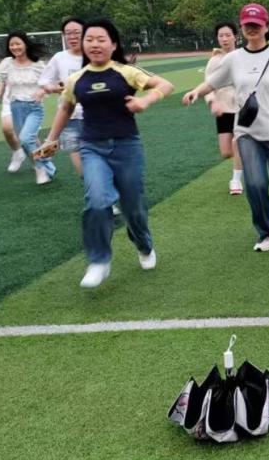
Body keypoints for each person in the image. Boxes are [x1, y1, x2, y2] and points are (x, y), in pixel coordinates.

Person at [37, 19, 174, 288]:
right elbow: (65, 108)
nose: (95, 44)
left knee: (133, 208)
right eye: (89, 40)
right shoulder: (77, 79)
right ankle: (99, 260)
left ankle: (144, 244)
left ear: (113, 45)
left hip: (127, 147)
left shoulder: (126, 71)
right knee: (97, 200)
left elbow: (165, 85)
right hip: (92, 147)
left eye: (101, 39)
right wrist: (51, 140)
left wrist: (145, 101)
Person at [183, 5, 269, 252]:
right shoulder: (233, 59)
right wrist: (196, 92)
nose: (252, 29)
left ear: (266, 27)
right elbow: (212, 82)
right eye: (248, 25)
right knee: (255, 184)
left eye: (257, 25)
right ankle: (267, 233)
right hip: (247, 132)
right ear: (242, 28)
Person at [0, 31, 55, 185]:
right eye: (11, 44)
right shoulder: (7, 63)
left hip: (34, 107)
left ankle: (40, 168)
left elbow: (50, 84)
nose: (14, 47)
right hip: (15, 106)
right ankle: (46, 164)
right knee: (29, 140)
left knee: (25, 138)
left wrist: (42, 91)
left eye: (18, 43)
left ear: (25, 44)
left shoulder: (38, 64)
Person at [200, 22, 244, 195]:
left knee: (237, 143)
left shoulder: (243, 55)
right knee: (226, 152)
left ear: (235, 36)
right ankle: (250, 156)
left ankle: (235, 180)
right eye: (221, 36)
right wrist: (213, 102)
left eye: (228, 35)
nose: (224, 39)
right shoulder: (214, 60)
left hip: (241, 107)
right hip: (223, 108)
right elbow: (207, 84)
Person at [39, 17, 87, 175]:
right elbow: (44, 81)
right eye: (68, 33)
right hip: (69, 117)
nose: (72, 37)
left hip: (94, 116)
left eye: (76, 32)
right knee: (82, 170)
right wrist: (55, 88)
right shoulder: (59, 57)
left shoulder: (94, 54)